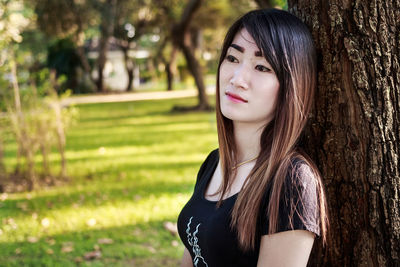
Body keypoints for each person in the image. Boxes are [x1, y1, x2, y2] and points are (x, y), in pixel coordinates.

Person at [177, 8, 329, 267]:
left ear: (291, 86)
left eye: (261, 66)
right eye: (233, 58)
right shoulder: (215, 162)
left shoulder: (291, 182)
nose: (237, 79)